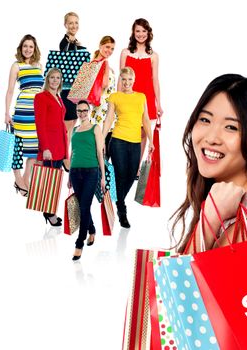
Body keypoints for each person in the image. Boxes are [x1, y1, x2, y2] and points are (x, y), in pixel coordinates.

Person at [170, 74, 247, 254]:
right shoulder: (223, 198)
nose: (211, 138)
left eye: (231, 127)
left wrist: (210, 221)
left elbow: (184, 282)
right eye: (205, 119)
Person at [102, 67, 154, 228]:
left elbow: (145, 119)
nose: (126, 82)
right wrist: (102, 139)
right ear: (120, 80)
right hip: (118, 140)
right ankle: (122, 210)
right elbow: (109, 118)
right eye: (123, 79)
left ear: (134, 80)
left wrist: (151, 141)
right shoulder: (115, 96)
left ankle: (114, 201)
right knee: (120, 175)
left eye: (129, 79)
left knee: (132, 175)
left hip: (135, 142)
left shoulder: (141, 97)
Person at [120, 18, 163, 175]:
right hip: (129, 97)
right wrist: (118, 98)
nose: (141, 34)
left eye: (144, 31)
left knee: (143, 132)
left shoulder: (153, 56)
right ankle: (125, 163)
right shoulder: (125, 52)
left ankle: (136, 167)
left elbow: (155, 80)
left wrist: (158, 104)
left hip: (146, 98)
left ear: (148, 33)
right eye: (138, 31)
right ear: (133, 32)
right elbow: (121, 77)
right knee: (127, 130)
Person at [5, 34, 44, 196]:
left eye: (31, 46)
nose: (28, 49)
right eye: (25, 46)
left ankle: (25, 180)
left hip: (37, 113)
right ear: (21, 48)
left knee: (34, 150)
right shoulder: (16, 66)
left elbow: (42, 90)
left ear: (34, 49)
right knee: (18, 148)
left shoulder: (39, 66)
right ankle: (18, 178)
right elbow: (10, 90)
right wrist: (6, 113)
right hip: (22, 111)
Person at [68, 100, 106, 261]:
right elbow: (72, 152)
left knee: (85, 206)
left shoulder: (95, 128)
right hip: (75, 172)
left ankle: (79, 243)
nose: (82, 113)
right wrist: (69, 175)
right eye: (79, 111)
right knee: (83, 207)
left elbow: (99, 152)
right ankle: (92, 229)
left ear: (89, 111)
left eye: (84, 110)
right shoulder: (75, 130)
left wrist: (103, 176)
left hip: (91, 171)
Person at [34, 68, 67, 226]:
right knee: (49, 181)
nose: (55, 80)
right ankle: (49, 213)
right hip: (50, 148)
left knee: (55, 181)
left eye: (58, 78)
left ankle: (51, 210)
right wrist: (45, 147)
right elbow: (40, 124)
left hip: (60, 146)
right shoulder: (41, 97)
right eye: (52, 77)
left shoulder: (58, 97)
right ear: (47, 79)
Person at [59, 11, 87, 171]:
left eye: (76, 23)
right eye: (70, 23)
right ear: (65, 25)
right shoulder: (65, 42)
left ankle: (66, 154)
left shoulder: (77, 42)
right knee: (67, 125)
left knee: (72, 124)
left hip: (77, 91)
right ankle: (65, 157)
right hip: (66, 90)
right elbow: (64, 57)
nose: (74, 26)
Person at [90, 36, 116, 159]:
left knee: (99, 137)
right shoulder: (103, 63)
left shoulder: (93, 62)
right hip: (104, 107)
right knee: (103, 140)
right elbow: (104, 84)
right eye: (107, 47)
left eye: (112, 49)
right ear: (100, 46)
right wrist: (106, 68)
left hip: (97, 107)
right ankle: (102, 171)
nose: (109, 51)